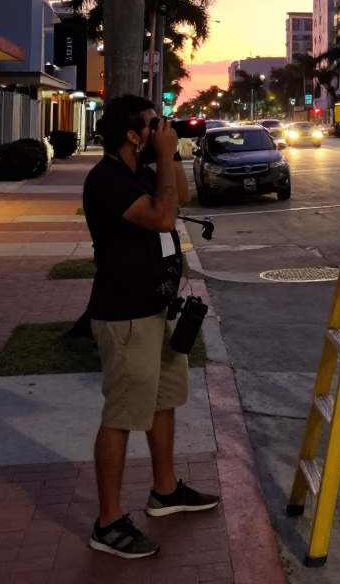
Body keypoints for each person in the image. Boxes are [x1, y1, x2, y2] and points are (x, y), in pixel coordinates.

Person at [82, 94, 219, 559]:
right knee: (122, 414)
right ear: (132, 134)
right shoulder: (107, 180)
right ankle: (108, 522)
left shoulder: (140, 172)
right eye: (152, 124)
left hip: (157, 310)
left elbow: (178, 197)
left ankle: (164, 491)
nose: (161, 129)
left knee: (162, 403)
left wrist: (171, 153)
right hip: (125, 317)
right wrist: (162, 155)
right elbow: (161, 217)